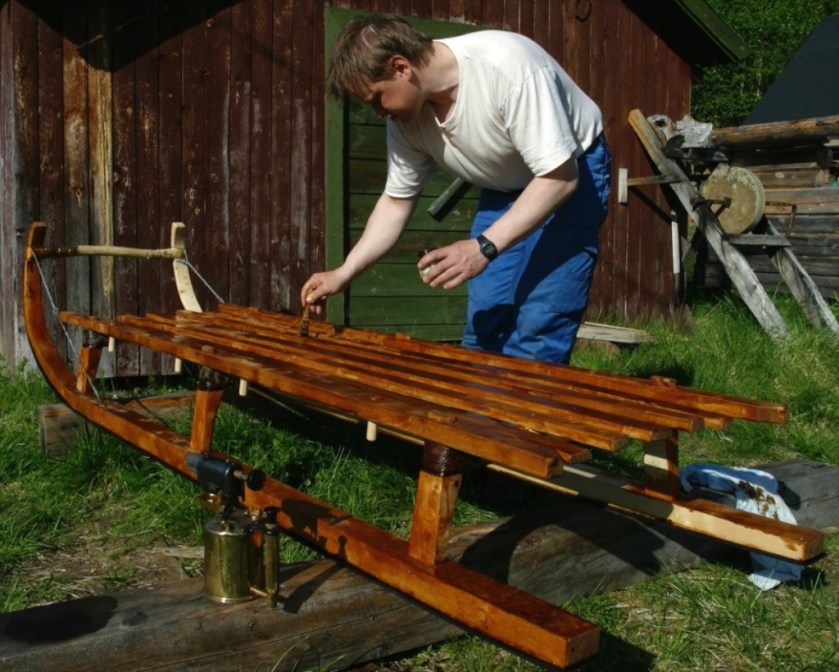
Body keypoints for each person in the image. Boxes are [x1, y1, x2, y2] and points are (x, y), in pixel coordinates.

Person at [301, 15, 611, 364]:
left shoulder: (508, 67)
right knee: (485, 324)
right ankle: (480, 418)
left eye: (376, 99)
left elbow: (559, 178)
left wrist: (481, 247)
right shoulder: (406, 121)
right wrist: (343, 273)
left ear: (400, 67)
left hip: (570, 173)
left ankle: (523, 418)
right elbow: (395, 203)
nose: (377, 113)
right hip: (505, 185)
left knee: (538, 324)